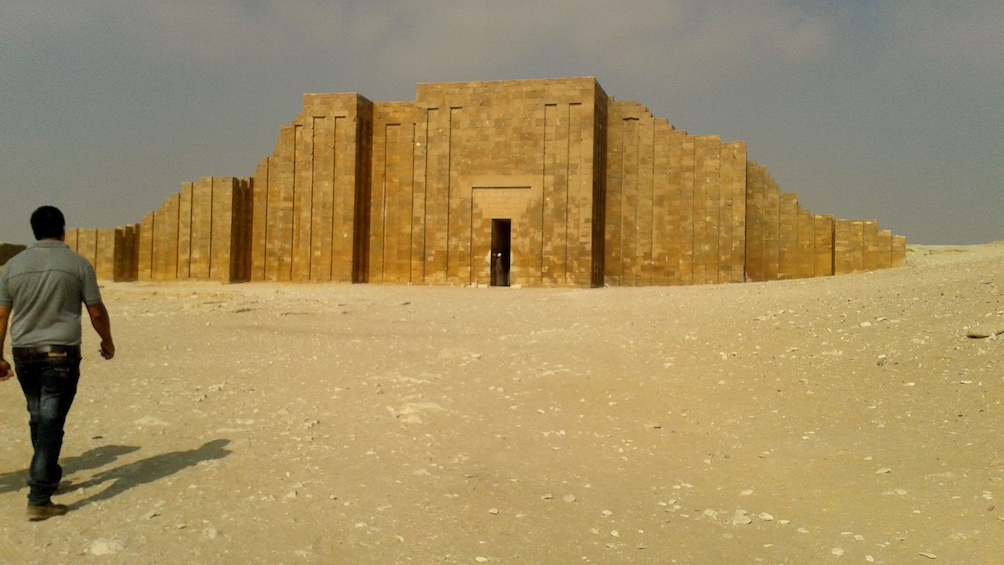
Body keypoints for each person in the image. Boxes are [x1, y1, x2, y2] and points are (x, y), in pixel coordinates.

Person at [0, 206, 115, 521]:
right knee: (50, 421)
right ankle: (39, 495)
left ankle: (47, 473)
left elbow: (1, 315)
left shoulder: (11, 267)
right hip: (60, 355)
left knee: (39, 416)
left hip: (23, 353)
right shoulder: (77, 264)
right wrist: (107, 340)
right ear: (63, 230)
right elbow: (96, 311)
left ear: (33, 231)